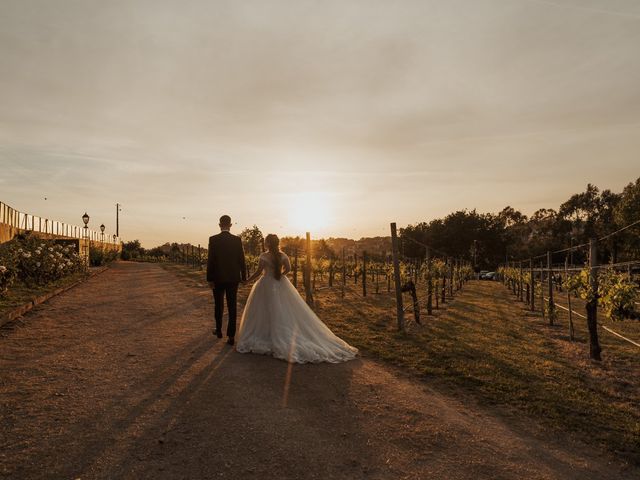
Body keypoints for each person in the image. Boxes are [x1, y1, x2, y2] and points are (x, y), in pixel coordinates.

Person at [236, 234, 358, 363]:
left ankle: (264, 334)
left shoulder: (264, 256)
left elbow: (258, 272)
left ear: (267, 244)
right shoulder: (283, 256)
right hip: (279, 283)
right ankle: (280, 334)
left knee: (263, 310)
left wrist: (247, 281)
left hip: (265, 284)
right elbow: (288, 269)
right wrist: (280, 276)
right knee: (283, 310)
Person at [206, 215, 246, 345]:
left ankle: (218, 330)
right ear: (230, 225)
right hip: (233, 278)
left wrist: (209, 278)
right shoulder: (237, 240)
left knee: (219, 304)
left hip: (217, 278)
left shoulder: (213, 239)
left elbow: (210, 260)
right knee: (232, 306)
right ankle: (231, 336)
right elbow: (242, 260)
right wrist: (243, 277)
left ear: (219, 225)